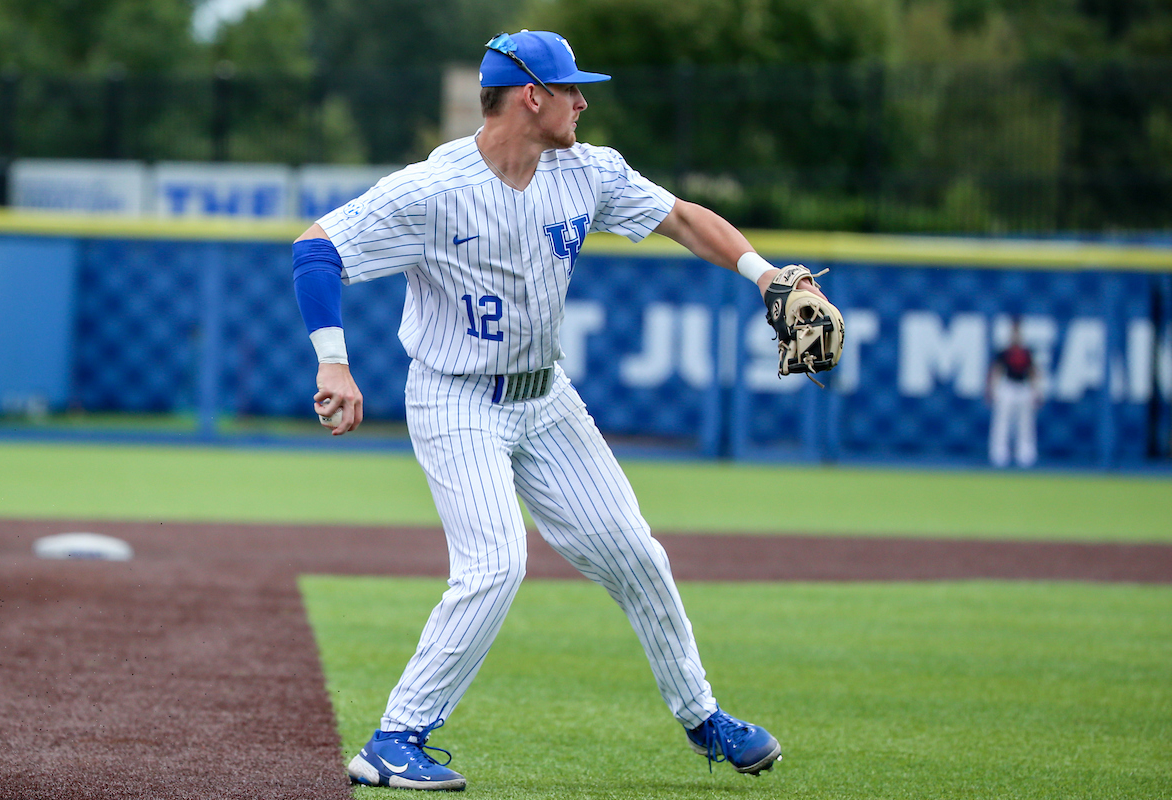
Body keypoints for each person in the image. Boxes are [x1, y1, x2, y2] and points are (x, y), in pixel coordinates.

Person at [292, 30, 827, 791]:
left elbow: (681, 218)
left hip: (546, 398)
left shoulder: (585, 171)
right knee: (497, 562)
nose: (583, 101)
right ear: (529, 96)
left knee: (637, 556)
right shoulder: (434, 188)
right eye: (571, 87)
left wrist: (767, 275)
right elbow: (317, 251)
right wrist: (334, 361)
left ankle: (704, 718)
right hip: (456, 397)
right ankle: (394, 739)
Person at [987, 317, 1042, 468]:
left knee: (1026, 423)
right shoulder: (1004, 352)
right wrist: (992, 389)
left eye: (1018, 333)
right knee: (1002, 421)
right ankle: (999, 454)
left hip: (1023, 388)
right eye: (1013, 333)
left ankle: (1025, 454)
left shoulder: (1027, 352)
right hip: (1008, 387)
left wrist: (1036, 391)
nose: (1015, 336)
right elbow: (997, 370)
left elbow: (1033, 372)